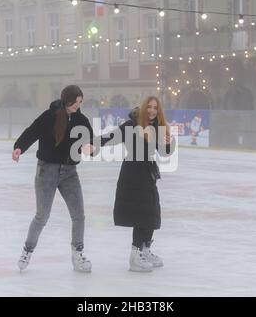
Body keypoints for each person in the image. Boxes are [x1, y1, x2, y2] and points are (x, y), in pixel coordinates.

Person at [12, 85, 94, 273]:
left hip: (70, 172)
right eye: (76, 102)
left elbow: (90, 140)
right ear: (67, 100)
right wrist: (19, 147)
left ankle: (77, 254)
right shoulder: (49, 116)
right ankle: (27, 250)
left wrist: (90, 147)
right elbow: (31, 132)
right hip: (46, 171)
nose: (78, 105)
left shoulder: (81, 120)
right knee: (42, 216)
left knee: (79, 215)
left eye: (81, 102)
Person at [99, 96, 175, 272]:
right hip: (132, 172)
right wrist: (90, 144)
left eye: (155, 108)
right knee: (142, 214)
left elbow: (164, 152)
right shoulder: (132, 125)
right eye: (149, 107)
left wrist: (169, 144)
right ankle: (135, 254)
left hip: (147, 172)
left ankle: (145, 249)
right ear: (143, 108)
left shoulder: (157, 127)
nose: (152, 111)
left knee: (152, 212)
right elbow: (110, 137)